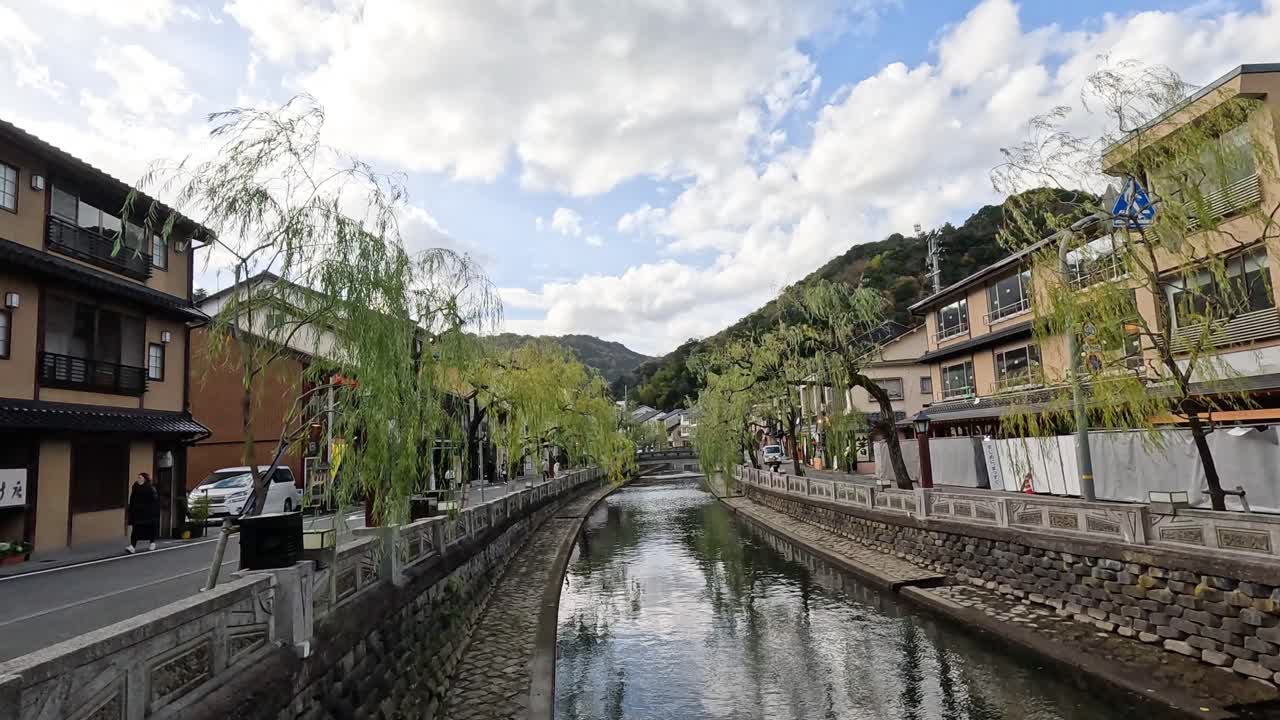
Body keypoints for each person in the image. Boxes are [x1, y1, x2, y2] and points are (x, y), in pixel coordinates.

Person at [126, 472, 161, 553]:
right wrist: (131, 509)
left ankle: (152, 543)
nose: (138, 479)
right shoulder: (135, 486)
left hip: (148, 512)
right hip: (137, 512)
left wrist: (154, 512)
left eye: (140, 478)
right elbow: (132, 498)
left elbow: (155, 500)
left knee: (150, 528)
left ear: (145, 479)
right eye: (138, 477)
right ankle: (132, 546)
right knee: (136, 529)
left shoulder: (150, 487)